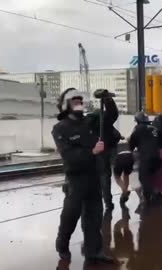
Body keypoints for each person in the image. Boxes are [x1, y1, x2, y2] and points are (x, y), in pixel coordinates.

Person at [52, 88, 114, 264]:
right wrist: (92, 151)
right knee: (71, 215)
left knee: (94, 216)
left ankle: (93, 251)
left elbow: (111, 116)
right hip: (76, 179)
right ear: (65, 105)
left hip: (94, 176)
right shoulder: (60, 128)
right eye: (74, 100)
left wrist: (107, 99)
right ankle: (62, 244)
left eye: (80, 100)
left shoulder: (90, 121)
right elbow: (69, 156)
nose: (78, 103)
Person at [92, 91, 122, 211]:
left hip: (99, 152)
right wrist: (107, 100)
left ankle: (107, 202)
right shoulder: (105, 121)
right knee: (108, 175)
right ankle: (108, 202)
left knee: (103, 176)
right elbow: (113, 113)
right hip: (108, 149)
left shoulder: (89, 122)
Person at [129, 112, 161, 205]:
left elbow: (132, 141)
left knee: (143, 178)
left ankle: (147, 199)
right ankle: (155, 193)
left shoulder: (138, 128)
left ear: (138, 121)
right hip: (156, 155)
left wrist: (130, 150)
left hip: (146, 156)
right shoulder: (154, 128)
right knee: (153, 176)